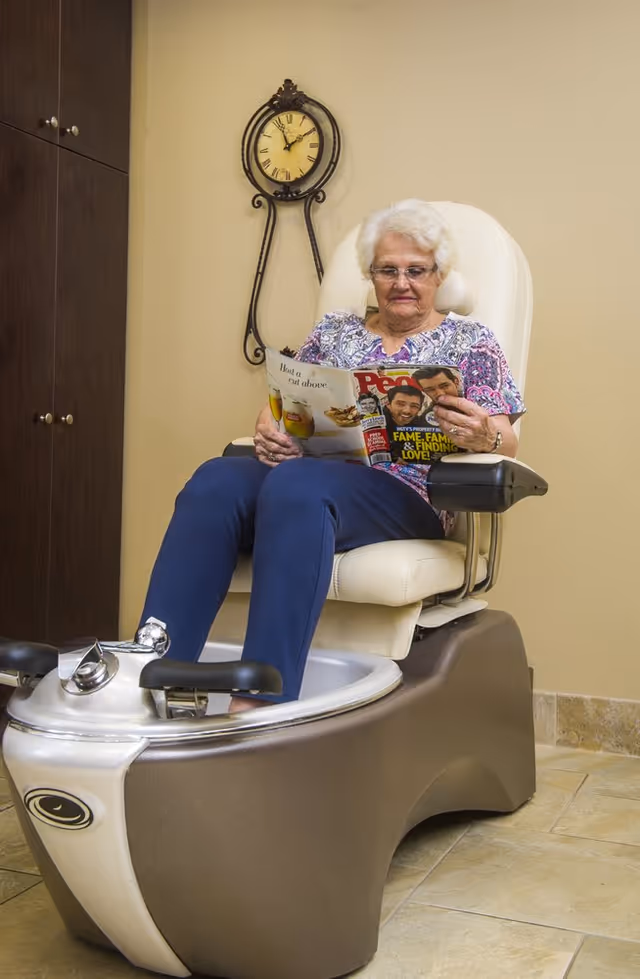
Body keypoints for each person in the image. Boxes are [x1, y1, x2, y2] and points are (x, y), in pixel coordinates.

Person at [136, 199, 525, 712]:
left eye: (417, 270)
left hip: (406, 494)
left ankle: (261, 695)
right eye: (388, 270)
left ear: (439, 275)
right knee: (216, 479)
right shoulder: (333, 333)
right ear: (371, 274)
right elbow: (281, 404)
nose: (402, 282)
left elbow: (505, 436)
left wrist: (484, 436)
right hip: (308, 481)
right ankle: (155, 673)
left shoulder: (471, 342)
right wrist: (271, 428)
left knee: (298, 485)